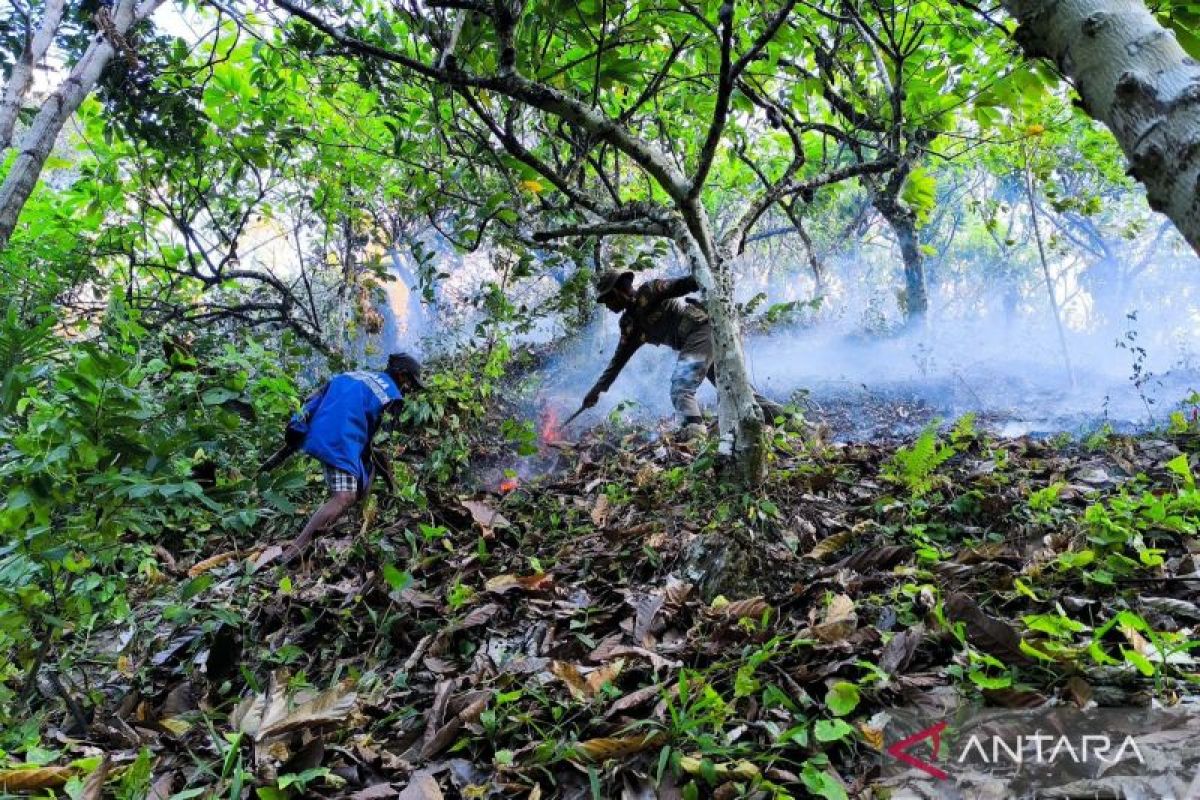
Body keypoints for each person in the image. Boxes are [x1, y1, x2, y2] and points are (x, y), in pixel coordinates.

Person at [581, 270, 783, 438]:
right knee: (735, 390)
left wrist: (712, 273)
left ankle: (695, 434)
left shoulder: (650, 290)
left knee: (681, 387)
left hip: (702, 331)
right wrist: (596, 390)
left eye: (607, 298)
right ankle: (787, 419)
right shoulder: (629, 325)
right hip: (698, 343)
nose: (607, 305)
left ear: (618, 291)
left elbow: (685, 284)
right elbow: (617, 361)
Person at [272, 353, 425, 563]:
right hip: (341, 439)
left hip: (321, 432)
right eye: (411, 383)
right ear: (401, 375)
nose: (410, 389)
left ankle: (349, 525)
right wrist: (393, 485)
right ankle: (294, 551)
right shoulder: (392, 396)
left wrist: (298, 428)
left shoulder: (353, 375)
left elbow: (312, 399)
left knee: (365, 474)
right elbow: (379, 447)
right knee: (344, 497)